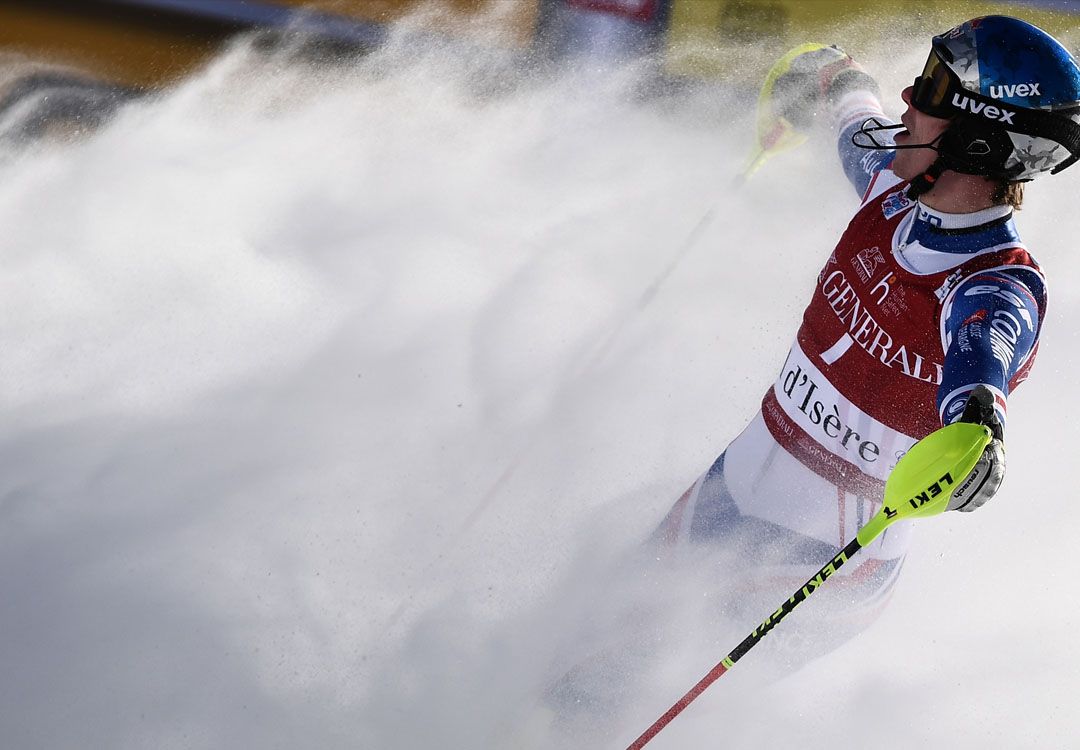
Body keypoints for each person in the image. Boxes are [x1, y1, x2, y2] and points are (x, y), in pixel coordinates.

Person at [654, 16, 1080, 637]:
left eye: (934, 89)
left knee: (599, 701)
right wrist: (835, 77)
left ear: (978, 141)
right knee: (563, 662)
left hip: (814, 566)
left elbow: (984, 359)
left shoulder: (993, 283)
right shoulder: (893, 190)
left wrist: (980, 422)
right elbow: (853, 116)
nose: (909, 98)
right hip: (727, 492)